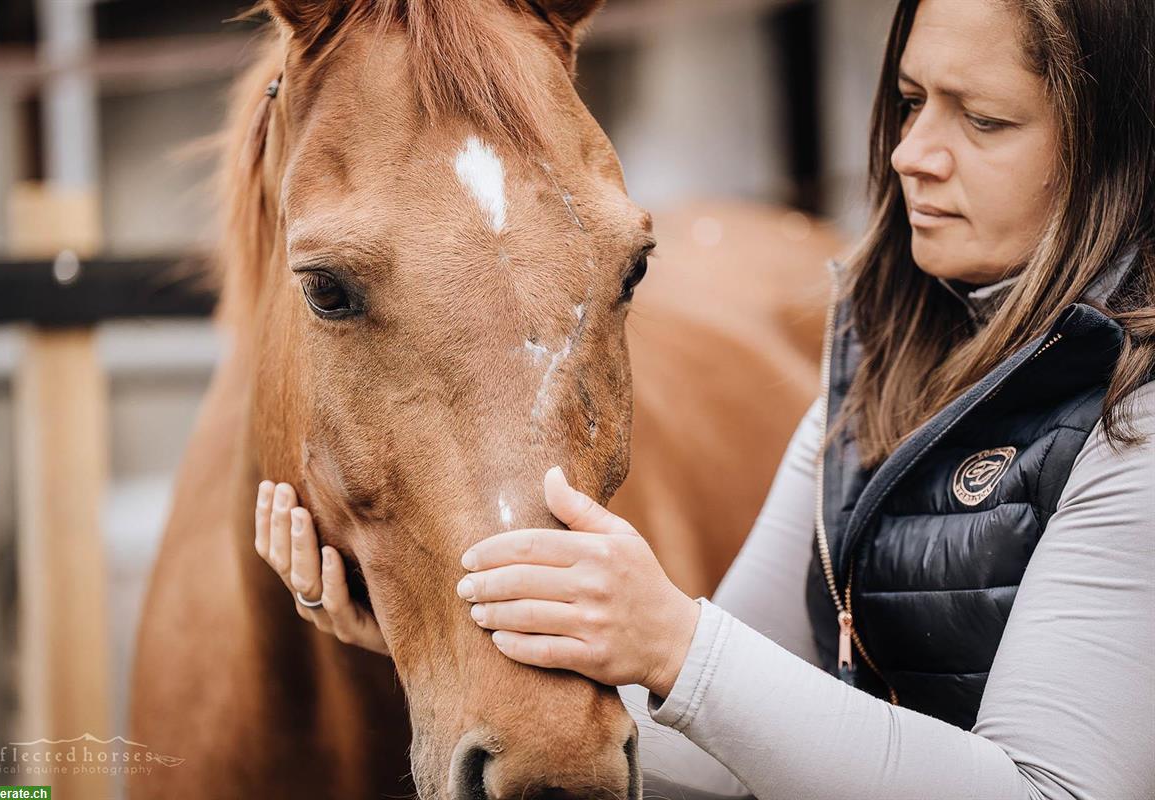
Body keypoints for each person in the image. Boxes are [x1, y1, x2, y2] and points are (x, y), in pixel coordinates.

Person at [252, 0, 1155, 796]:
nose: (911, 154)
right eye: (913, 102)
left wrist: (680, 644)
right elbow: (737, 743)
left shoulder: (1136, 418)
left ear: (1114, 140)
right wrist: (444, 647)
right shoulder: (878, 368)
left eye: (988, 120)